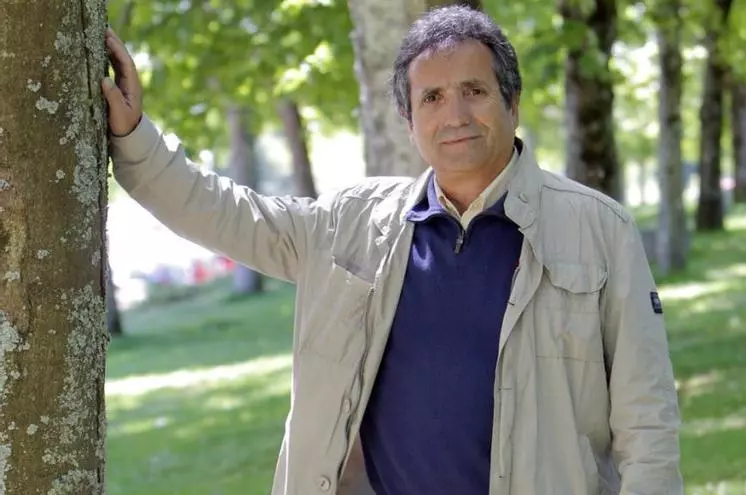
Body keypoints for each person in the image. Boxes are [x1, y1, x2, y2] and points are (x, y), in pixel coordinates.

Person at [102, 6, 682, 495]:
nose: (454, 115)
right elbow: (226, 213)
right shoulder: (352, 225)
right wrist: (134, 137)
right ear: (409, 121)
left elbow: (647, 423)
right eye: (432, 97)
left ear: (513, 102)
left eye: (474, 91)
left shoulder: (598, 229)